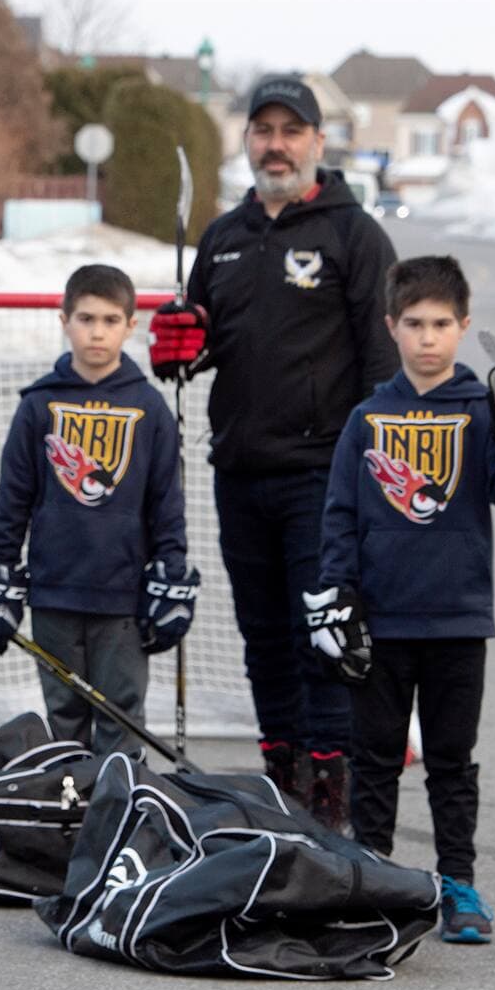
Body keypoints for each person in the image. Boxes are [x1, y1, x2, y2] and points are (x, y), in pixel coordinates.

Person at [147, 72, 398, 829]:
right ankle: (282, 780)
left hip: (325, 477)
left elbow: (381, 365)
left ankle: (329, 796)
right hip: (241, 470)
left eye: (292, 131)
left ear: (318, 141)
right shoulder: (223, 238)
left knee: (321, 635)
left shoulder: (355, 236)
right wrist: (175, 349)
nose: (277, 145)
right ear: (249, 140)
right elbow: (197, 346)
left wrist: (372, 475)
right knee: (262, 639)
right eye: (264, 131)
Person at [316, 255, 495, 944]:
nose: (428, 338)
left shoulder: (482, 408)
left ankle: (458, 882)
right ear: (391, 325)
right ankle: (373, 876)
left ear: (464, 325)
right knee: (375, 757)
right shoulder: (367, 417)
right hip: (381, 618)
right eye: (414, 323)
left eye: (441, 324)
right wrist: (338, 595)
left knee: (452, 759)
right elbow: (339, 515)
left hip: (457, 617)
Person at [0, 264, 192, 755]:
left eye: (110, 320)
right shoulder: (38, 405)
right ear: (64, 320)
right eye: (86, 319)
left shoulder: (150, 408)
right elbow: (14, 497)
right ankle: (68, 803)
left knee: (120, 717)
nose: (97, 332)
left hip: (122, 596)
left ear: (131, 326)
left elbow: (166, 503)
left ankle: (117, 801)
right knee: (64, 720)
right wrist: (2, 567)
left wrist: (171, 570)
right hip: (54, 590)